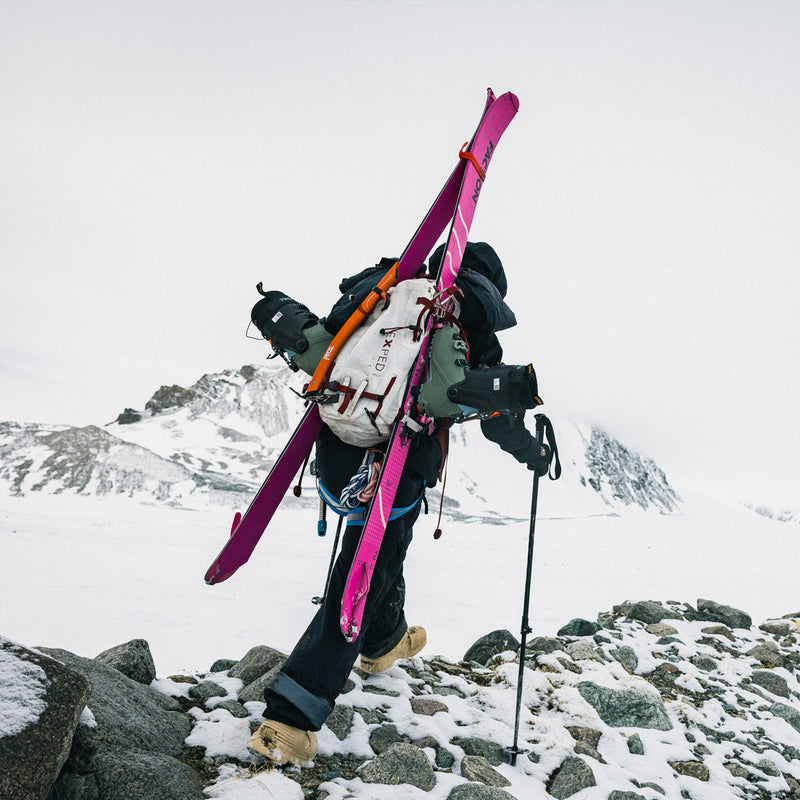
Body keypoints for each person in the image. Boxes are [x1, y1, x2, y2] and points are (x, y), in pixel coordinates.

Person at [247, 242, 552, 765]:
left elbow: (331, 342)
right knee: (363, 571)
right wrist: (534, 453)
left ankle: (385, 641)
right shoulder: (466, 319)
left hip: (341, 448)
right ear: (492, 287)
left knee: (384, 550)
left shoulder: (385, 291)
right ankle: (289, 719)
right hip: (400, 462)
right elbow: (495, 413)